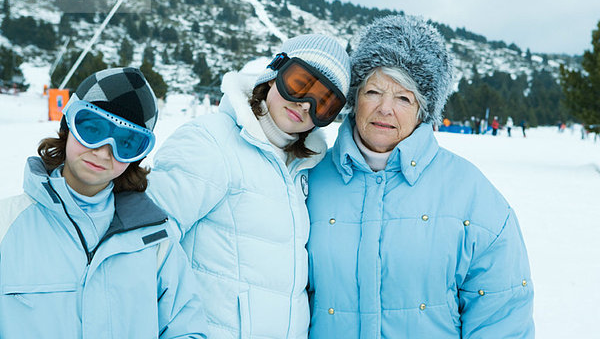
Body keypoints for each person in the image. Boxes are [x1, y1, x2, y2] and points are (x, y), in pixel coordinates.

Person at [306, 16, 534, 338]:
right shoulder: (308, 181)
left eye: (403, 97)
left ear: (422, 110)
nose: (385, 108)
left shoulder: (471, 193)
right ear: (355, 99)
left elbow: (501, 314)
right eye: (373, 91)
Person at [148, 35, 351, 339]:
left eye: (323, 102)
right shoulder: (210, 141)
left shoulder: (302, 171)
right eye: (299, 84)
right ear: (274, 74)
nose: (305, 104)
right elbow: (146, 247)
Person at [0, 68, 208, 338]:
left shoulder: (156, 241)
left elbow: (186, 328)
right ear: (68, 125)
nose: (103, 151)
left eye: (126, 142)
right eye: (92, 128)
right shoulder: (6, 224)